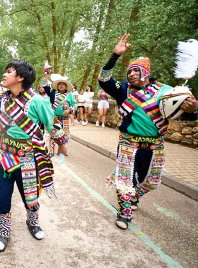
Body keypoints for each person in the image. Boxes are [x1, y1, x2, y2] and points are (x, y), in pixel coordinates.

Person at [98, 33, 198, 230]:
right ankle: (125, 212)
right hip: (128, 143)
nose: (131, 74)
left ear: (146, 72)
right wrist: (114, 55)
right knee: (125, 180)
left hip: (155, 146)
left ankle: (133, 196)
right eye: (129, 72)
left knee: (151, 181)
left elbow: (182, 115)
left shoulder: (166, 91)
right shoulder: (123, 89)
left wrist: (193, 110)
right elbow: (104, 79)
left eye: (136, 71)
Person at [0, 60, 64, 252]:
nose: (4, 75)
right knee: (3, 197)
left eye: (9, 72)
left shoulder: (38, 101)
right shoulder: (4, 99)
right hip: (5, 157)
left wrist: (60, 143)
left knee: (29, 196)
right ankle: (4, 231)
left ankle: (33, 222)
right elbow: (5, 123)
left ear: (20, 77)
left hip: (28, 159)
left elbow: (52, 125)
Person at [49, 74, 77, 157]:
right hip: (54, 118)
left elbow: (75, 105)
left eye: (63, 84)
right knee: (53, 133)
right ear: (57, 86)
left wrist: (69, 110)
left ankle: (62, 150)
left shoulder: (69, 95)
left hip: (64, 119)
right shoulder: (53, 94)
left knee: (64, 134)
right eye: (59, 84)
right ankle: (51, 150)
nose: (61, 86)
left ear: (66, 86)